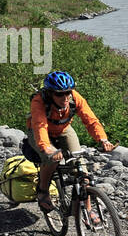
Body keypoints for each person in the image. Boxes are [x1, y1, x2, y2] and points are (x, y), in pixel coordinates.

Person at [24, 71, 116, 219]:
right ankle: (43, 191)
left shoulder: (74, 98)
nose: (65, 97)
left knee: (81, 170)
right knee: (52, 159)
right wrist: (47, 148)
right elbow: (39, 126)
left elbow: (91, 120)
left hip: (64, 129)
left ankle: (88, 210)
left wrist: (103, 140)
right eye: (60, 94)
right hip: (39, 132)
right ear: (50, 93)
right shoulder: (38, 101)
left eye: (68, 92)